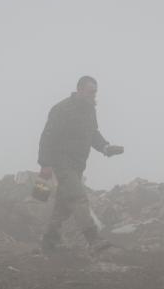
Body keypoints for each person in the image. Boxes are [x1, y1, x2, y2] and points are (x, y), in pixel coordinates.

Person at [37, 76, 124, 252]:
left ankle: (49, 240)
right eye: (91, 90)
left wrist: (106, 148)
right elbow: (47, 136)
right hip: (62, 162)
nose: (94, 94)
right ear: (79, 89)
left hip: (77, 165)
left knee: (63, 207)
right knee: (78, 197)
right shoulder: (62, 109)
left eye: (96, 91)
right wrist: (45, 163)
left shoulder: (90, 110)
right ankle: (94, 240)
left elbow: (93, 133)